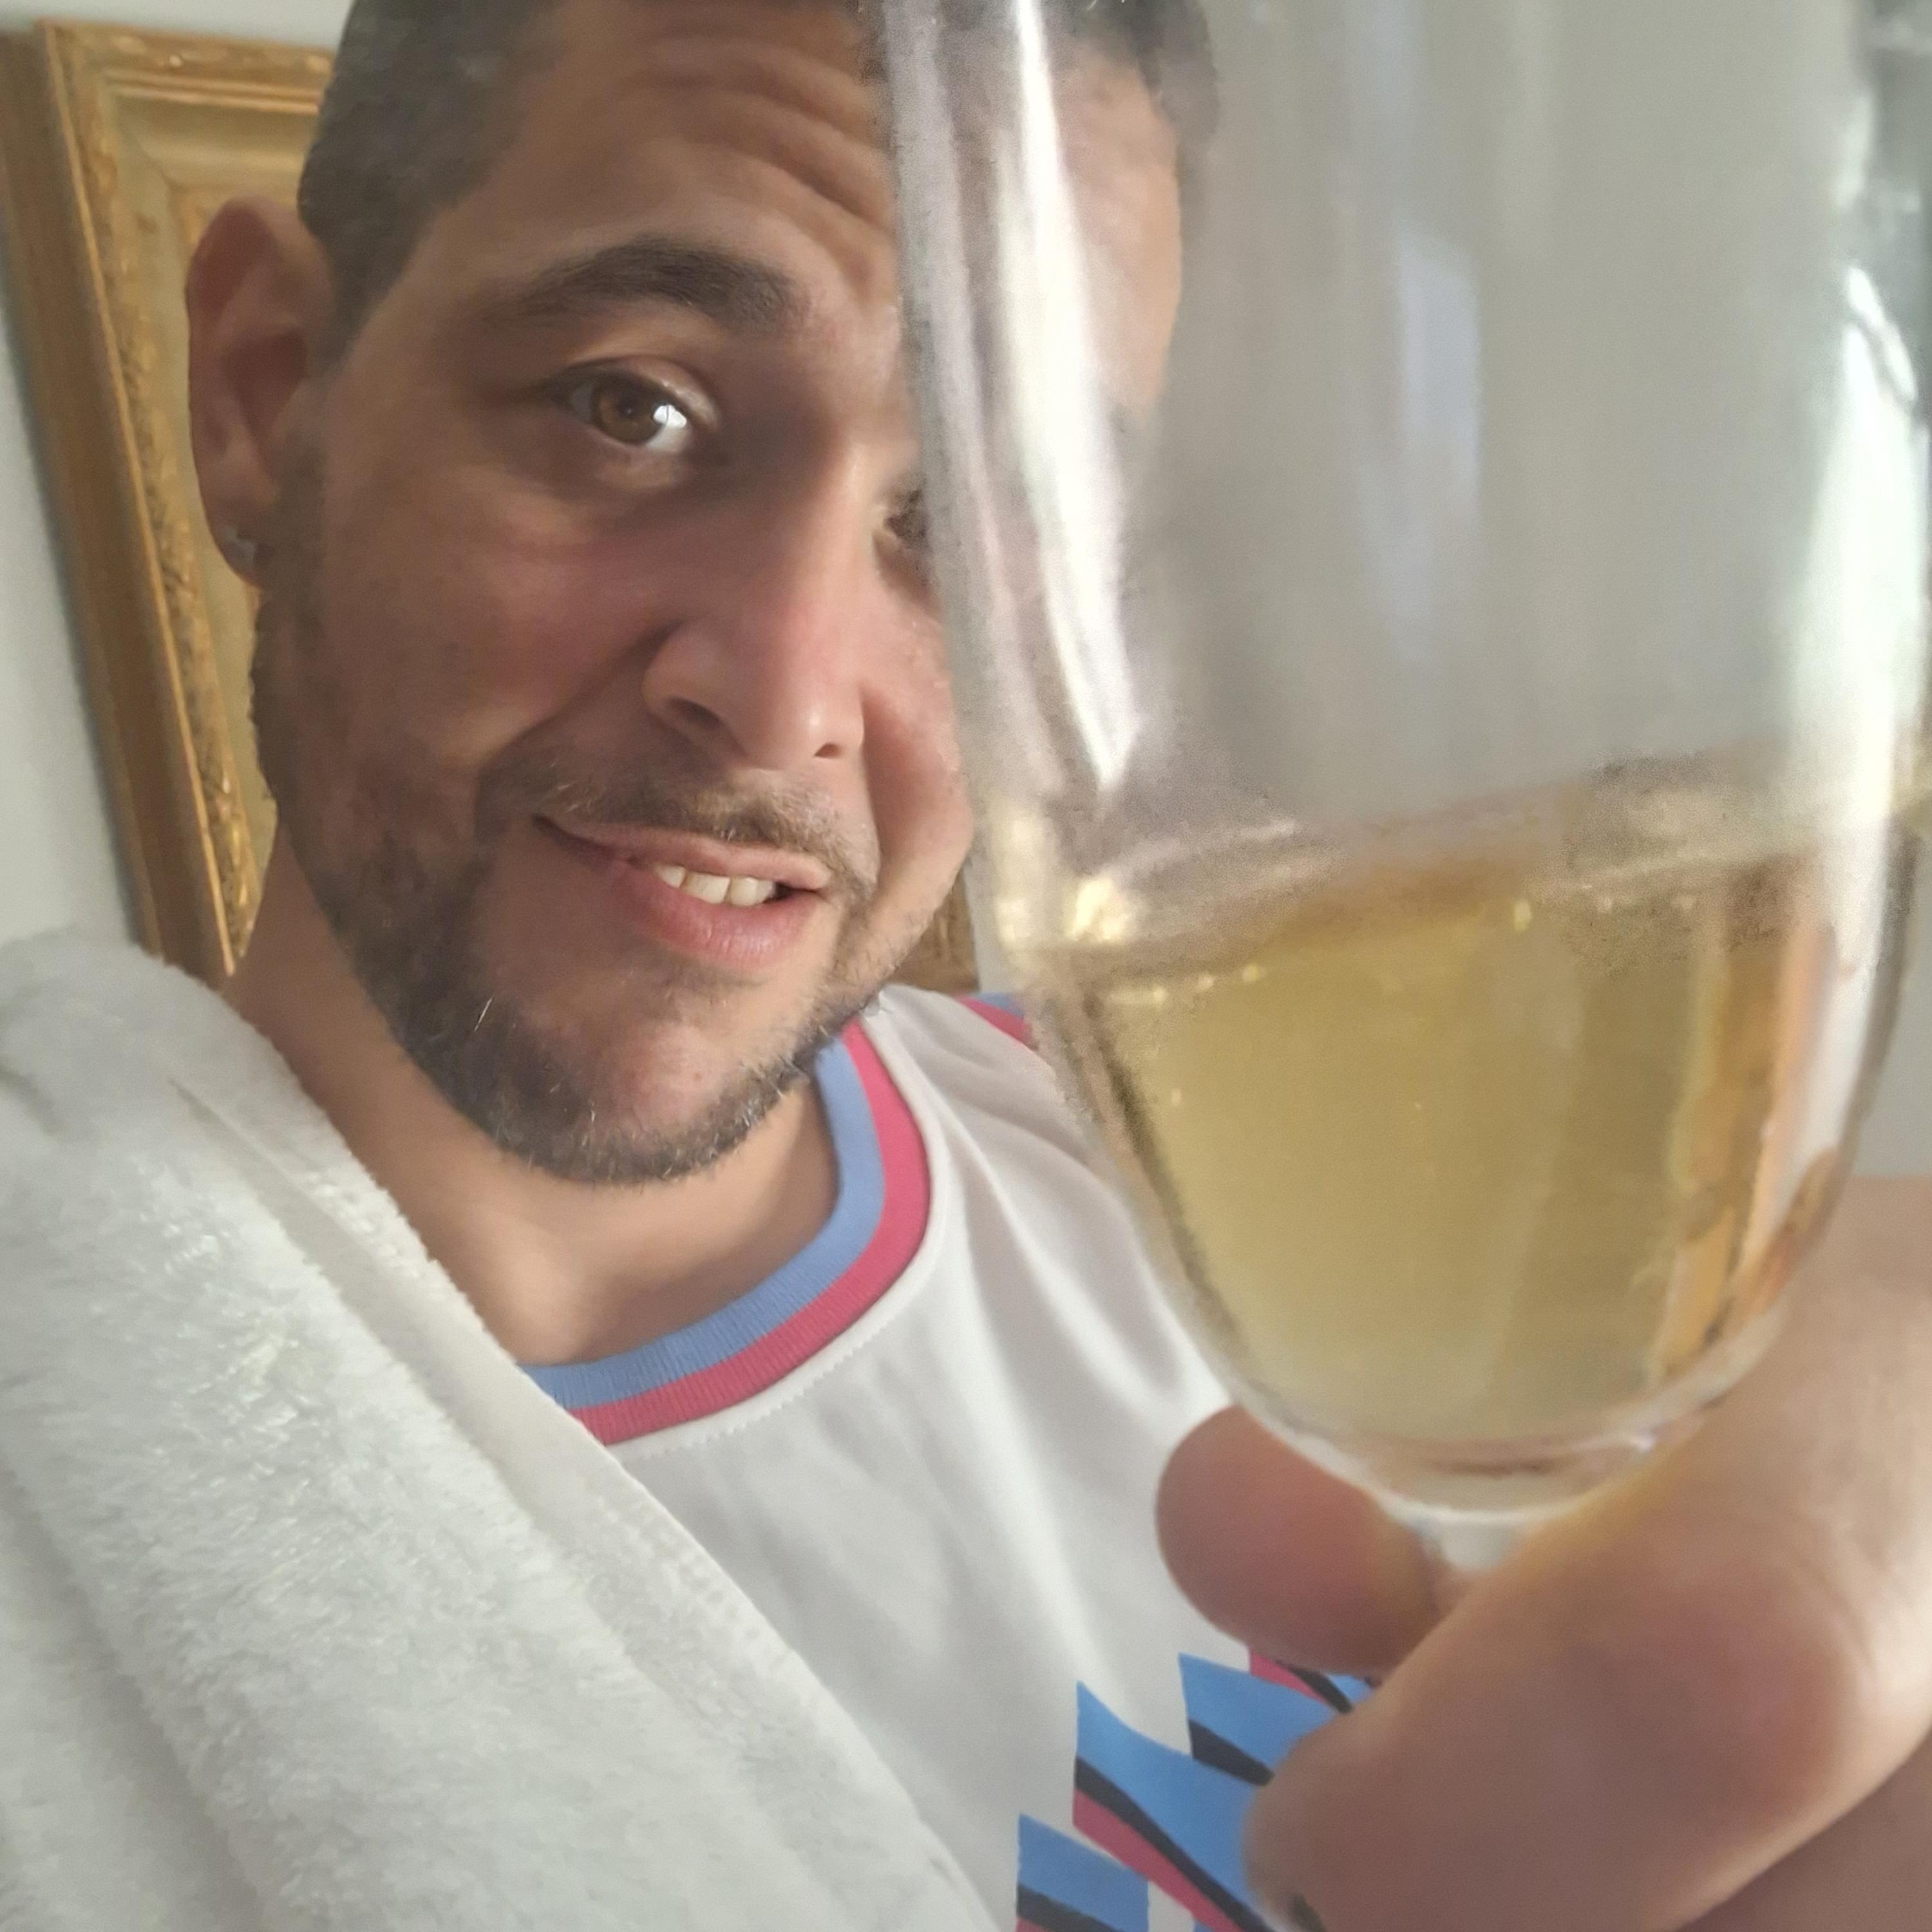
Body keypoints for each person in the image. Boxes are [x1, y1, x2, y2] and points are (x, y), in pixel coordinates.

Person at [1, 1, 1928, 1927]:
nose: (785, 694)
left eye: (972, 523)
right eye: (631, 409)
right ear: (265, 393)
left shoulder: (1282, 1214)